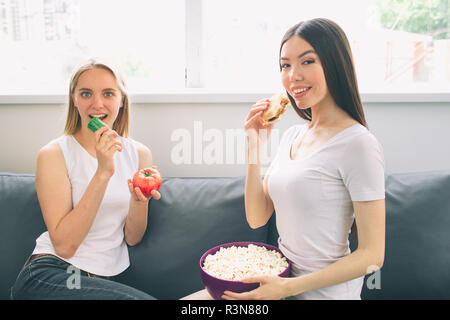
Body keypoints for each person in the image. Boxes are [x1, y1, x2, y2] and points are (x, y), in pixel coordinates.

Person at [223, 18, 385, 300]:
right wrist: (254, 148)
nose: (292, 76)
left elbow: (373, 256)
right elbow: (256, 217)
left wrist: (287, 287)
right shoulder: (292, 136)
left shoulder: (358, 144)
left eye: (307, 62)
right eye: (285, 65)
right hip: (280, 289)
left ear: (335, 64)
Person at [10, 59, 164, 299]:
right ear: (75, 100)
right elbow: (64, 246)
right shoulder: (54, 154)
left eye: (108, 94)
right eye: (86, 94)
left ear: (121, 100)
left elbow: (132, 238)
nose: (97, 104)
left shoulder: (139, 154)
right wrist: (103, 172)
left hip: (102, 281)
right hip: (52, 274)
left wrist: (139, 201)